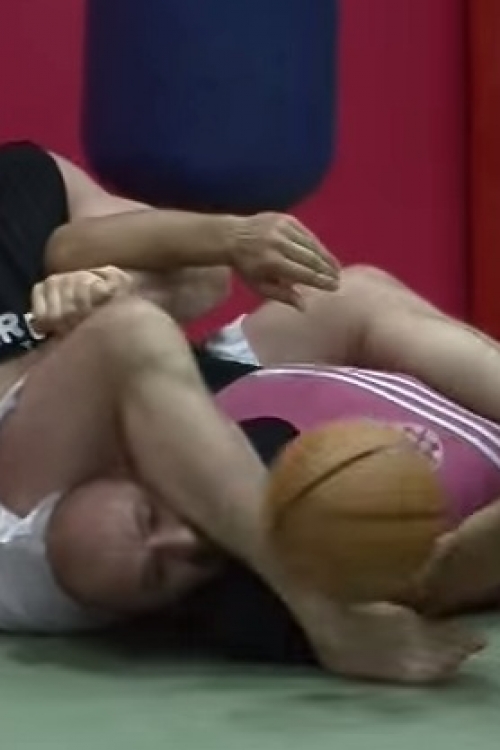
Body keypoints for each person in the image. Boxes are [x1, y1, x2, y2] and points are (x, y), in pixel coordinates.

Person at [0, 139, 492, 685]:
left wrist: (208, 249)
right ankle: (328, 616)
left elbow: (203, 280)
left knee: (346, 295)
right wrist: (68, 342)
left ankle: (417, 566)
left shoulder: (24, 180)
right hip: (21, 500)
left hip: (137, 406)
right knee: (131, 335)